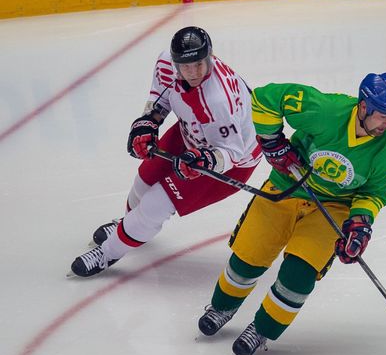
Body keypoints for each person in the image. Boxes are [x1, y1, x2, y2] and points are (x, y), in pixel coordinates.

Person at [197, 72, 386, 355]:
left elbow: (375, 193)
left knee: (300, 273)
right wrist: (271, 141)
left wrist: (359, 224)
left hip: (334, 206)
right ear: (364, 106)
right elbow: (266, 98)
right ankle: (222, 307)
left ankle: (261, 329)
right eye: (383, 115)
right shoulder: (326, 111)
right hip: (287, 187)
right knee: (248, 257)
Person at [70, 26, 261, 277]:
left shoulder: (218, 101)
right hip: (191, 131)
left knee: (156, 204)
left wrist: (204, 159)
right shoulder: (167, 62)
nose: (192, 72)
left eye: (199, 65)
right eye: (186, 66)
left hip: (232, 162)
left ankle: (107, 253)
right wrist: (149, 121)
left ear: (209, 57)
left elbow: (232, 152)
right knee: (143, 180)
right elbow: (162, 98)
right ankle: (127, 226)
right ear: (176, 62)